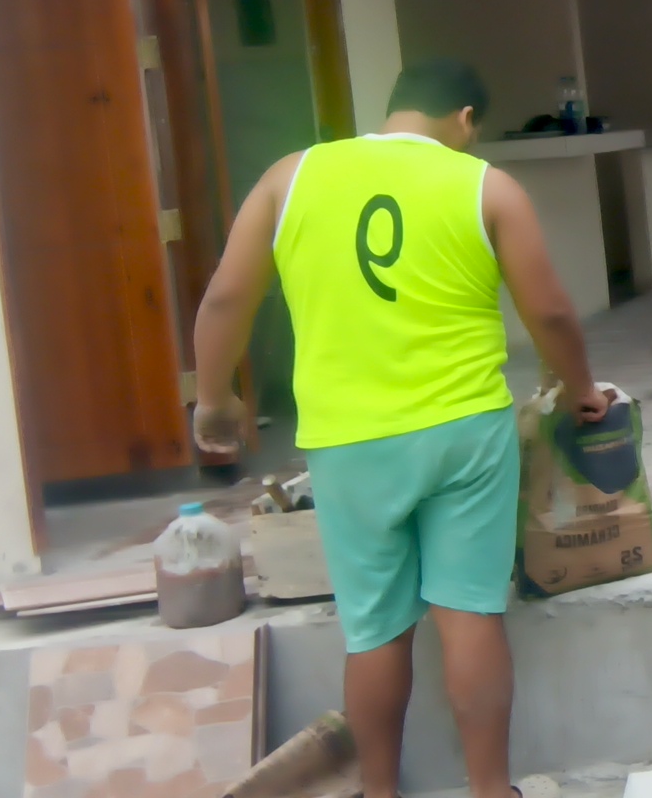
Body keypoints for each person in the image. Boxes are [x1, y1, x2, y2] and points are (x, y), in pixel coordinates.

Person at [192, 59, 606, 798]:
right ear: (467, 120)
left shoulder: (290, 178)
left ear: (393, 110)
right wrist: (579, 390)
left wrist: (214, 398)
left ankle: (379, 791)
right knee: (469, 612)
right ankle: (490, 790)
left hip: (348, 441)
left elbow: (226, 298)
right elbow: (549, 311)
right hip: (464, 430)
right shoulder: (487, 188)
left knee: (376, 629)